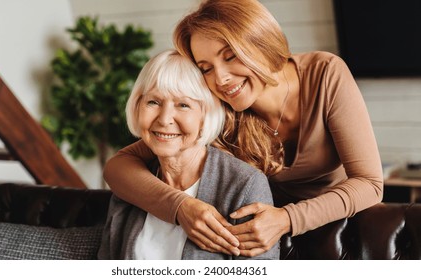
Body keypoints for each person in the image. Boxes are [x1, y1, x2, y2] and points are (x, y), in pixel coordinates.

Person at [103, 0, 383, 257]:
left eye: (230, 56)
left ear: (260, 42)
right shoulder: (220, 107)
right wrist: (180, 207)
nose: (221, 79)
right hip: (261, 236)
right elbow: (119, 166)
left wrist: (286, 219)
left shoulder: (325, 74)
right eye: (206, 68)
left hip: (339, 226)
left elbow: (370, 184)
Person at [98, 49, 278, 259]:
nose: (165, 119)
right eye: (153, 102)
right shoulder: (132, 186)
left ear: (206, 115)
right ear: (137, 106)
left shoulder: (244, 185)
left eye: (183, 105)